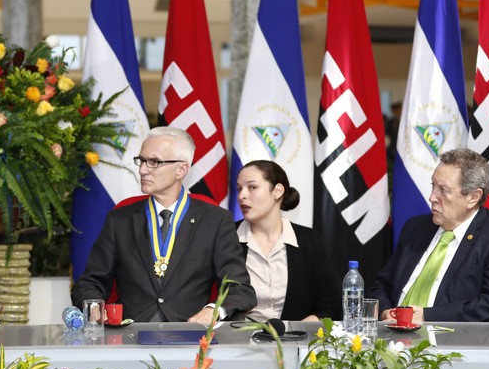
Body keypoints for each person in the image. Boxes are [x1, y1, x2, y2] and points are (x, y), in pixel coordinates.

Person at [71, 127, 256, 324]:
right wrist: (93, 305)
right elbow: (90, 283)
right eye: (141, 160)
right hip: (132, 333)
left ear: (181, 169)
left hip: (189, 333)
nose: (142, 170)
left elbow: (240, 289)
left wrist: (213, 311)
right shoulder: (120, 220)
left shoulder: (215, 220)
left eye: (154, 162)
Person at [369, 148, 489, 322]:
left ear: (473, 197)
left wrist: (427, 316)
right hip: (390, 332)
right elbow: (381, 285)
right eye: (433, 186)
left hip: (447, 336)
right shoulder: (416, 228)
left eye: (443, 190)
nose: (432, 197)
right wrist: (385, 311)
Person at [235, 160, 341, 322]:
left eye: (252, 187)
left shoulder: (309, 241)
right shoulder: (226, 237)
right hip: (237, 337)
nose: (241, 195)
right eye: (239, 189)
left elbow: (330, 305)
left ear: (277, 191)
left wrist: (300, 330)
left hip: (297, 336)